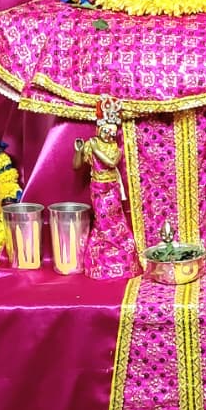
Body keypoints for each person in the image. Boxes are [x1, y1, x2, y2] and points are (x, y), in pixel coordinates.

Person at [73, 96, 138, 280]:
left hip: (112, 190)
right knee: (101, 223)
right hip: (97, 189)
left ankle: (121, 258)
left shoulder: (115, 148)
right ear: (100, 129)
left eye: (112, 132)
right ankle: (101, 261)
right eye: (106, 130)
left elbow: (111, 163)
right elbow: (76, 166)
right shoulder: (91, 144)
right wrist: (79, 150)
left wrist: (95, 148)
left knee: (114, 221)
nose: (109, 135)